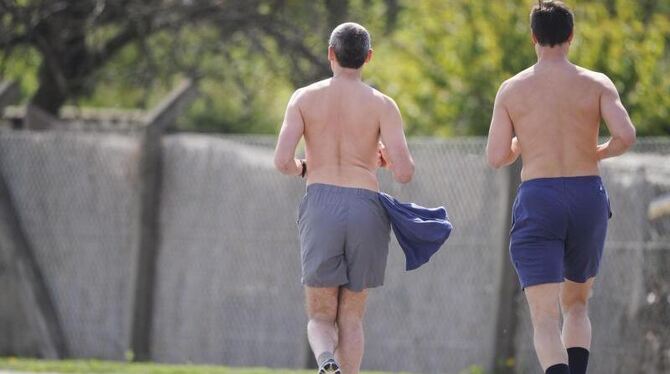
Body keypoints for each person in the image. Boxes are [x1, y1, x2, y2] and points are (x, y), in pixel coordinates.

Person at [486, 1, 636, 374]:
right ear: (571, 36)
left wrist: (520, 146)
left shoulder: (512, 89)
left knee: (544, 316)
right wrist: (597, 152)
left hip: (539, 196)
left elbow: (496, 156)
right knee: (578, 305)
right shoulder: (597, 83)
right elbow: (626, 136)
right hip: (587, 194)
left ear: (533, 37)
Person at [273, 22, 414, 374]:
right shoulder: (383, 104)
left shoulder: (304, 98)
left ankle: (326, 361)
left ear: (330, 54)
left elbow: (281, 161)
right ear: (368, 57)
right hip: (366, 206)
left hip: (320, 204)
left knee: (320, 317)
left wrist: (304, 168)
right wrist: (383, 160)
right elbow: (404, 172)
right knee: (351, 319)